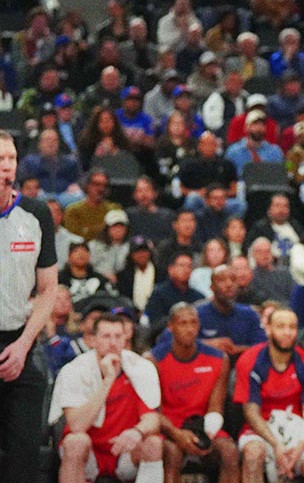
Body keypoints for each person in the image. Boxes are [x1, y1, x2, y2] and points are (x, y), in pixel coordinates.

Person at [0, 131, 59, 483]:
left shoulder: (36, 213)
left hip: (20, 343)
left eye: (10, 159)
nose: (6, 167)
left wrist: (22, 345)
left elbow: (49, 289)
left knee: (24, 456)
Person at [50, 313, 164, 483]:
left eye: (118, 336)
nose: (113, 342)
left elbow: (153, 420)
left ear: (125, 338)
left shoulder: (140, 368)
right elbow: (76, 426)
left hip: (124, 450)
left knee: (153, 443)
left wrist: (136, 432)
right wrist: (108, 380)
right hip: (90, 453)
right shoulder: (74, 370)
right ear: (92, 340)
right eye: (106, 336)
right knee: (75, 442)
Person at [234, 307, 304, 483]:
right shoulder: (250, 360)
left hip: (299, 429)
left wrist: (300, 445)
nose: (287, 332)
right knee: (253, 453)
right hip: (262, 429)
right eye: (281, 326)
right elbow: (251, 412)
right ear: (268, 328)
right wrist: (275, 444)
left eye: (292, 327)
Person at [151, 303, 239, 483]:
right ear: (171, 327)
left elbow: (216, 407)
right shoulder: (153, 360)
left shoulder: (218, 359)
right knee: (172, 453)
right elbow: (154, 412)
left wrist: (206, 435)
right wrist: (178, 435)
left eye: (194, 323)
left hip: (204, 427)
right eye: (183, 323)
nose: (190, 329)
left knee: (229, 452)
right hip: (169, 428)